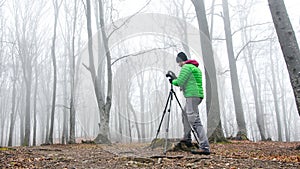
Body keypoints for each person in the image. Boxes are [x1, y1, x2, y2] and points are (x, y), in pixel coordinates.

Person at [170, 52, 210, 155]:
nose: (178, 65)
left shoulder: (186, 67)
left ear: (181, 61)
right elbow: (187, 81)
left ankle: (204, 146)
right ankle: (187, 138)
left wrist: (173, 80)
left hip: (192, 96)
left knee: (195, 120)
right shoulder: (194, 67)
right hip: (197, 96)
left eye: (178, 63)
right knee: (185, 114)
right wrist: (176, 79)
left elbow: (180, 82)